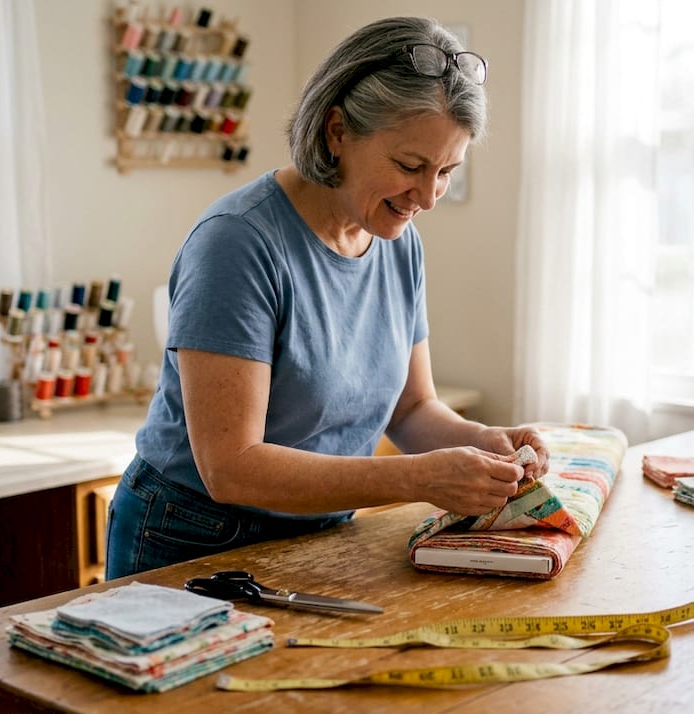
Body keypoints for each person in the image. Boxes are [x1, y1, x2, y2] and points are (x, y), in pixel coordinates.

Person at [106, 16, 550, 579]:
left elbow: (411, 409)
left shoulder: (396, 239)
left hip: (320, 526)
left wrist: (486, 445)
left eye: (446, 172)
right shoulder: (236, 243)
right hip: (194, 532)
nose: (428, 197)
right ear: (336, 131)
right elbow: (231, 467)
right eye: (411, 166)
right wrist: (416, 477)